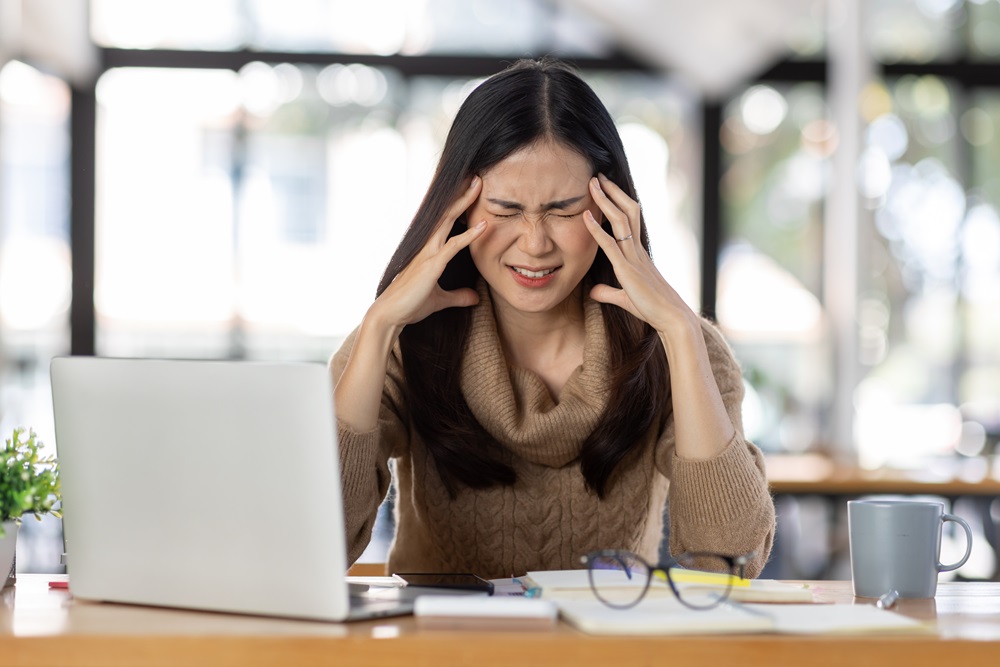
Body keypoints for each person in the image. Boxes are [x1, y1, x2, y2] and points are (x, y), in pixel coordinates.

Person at [330, 57, 775, 580]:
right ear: (458, 208)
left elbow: (729, 561)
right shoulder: (399, 340)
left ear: (611, 207)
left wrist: (680, 334)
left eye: (564, 211)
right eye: (505, 210)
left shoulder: (678, 346)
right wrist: (380, 326)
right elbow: (319, 543)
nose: (535, 243)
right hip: (441, 652)